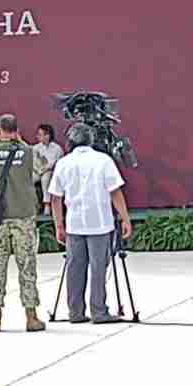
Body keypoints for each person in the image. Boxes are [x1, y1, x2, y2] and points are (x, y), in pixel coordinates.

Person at [49, 123, 133, 324]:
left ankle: (75, 312)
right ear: (91, 140)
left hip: (74, 223)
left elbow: (55, 198)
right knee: (98, 268)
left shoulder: (63, 163)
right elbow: (115, 191)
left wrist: (59, 225)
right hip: (100, 223)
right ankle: (99, 311)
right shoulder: (103, 160)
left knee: (74, 268)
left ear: (70, 141)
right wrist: (125, 218)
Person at [0, 114, 46, 333]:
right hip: (23, 217)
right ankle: (31, 317)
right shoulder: (29, 152)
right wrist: (21, 143)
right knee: (27, 267)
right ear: (16, 130)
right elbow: (42, 168)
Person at [34, 124, 65, 215]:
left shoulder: (57, 148)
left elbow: (53, 163)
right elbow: (34, 162)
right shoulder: (36, 148)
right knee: (29, 179)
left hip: (50, 172)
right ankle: (34, 205)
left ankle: (47, 204)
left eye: (40, 134)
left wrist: (43, 170)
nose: (38, 137)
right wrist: (38, 170)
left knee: (46, 178)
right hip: (38, 171)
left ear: (47, 136)